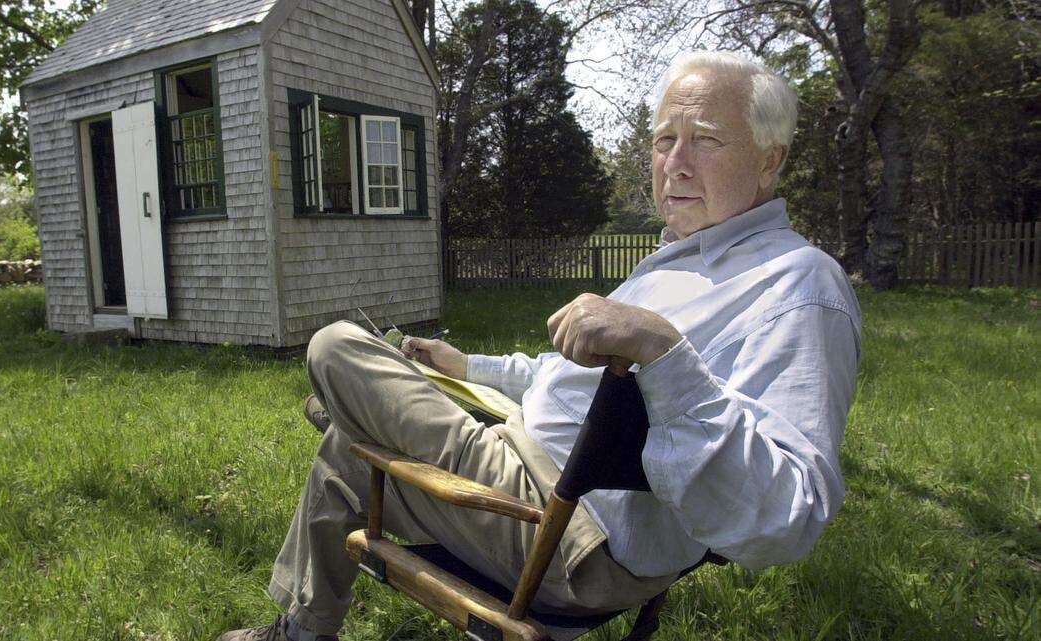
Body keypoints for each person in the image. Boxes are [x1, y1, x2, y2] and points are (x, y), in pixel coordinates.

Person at [218, 50, 862, 641]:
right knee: (347, 451)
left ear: (770, 157)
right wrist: (472, 367)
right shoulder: (677, 262)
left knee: (336, 347)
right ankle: (300, 631)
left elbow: (790, 515)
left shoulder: (799, 285)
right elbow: (571, 381)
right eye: (665, 140)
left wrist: (664, 351)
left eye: (706, 141)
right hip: (523, 469)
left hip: (565, 535)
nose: (676, 163)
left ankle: (352, 405)